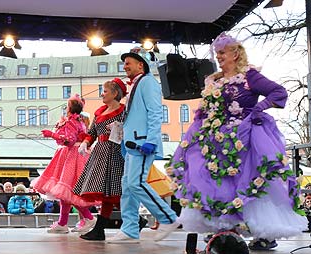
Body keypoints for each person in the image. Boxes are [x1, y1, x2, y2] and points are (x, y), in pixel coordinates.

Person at [167, 32, 307, 250]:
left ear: (235, 53)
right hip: (216, 140)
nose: (219, 56)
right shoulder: (214, 79)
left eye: (222, 52)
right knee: (221, 183)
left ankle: (264, 233)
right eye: (217, 53)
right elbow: (207, 107)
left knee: (250, 179)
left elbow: (278, 92)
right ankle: (226, 230)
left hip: (245, 137)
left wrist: (259, 107)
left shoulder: (249, 76)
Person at [107, 46, 179, 244]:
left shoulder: (147, 82)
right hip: (133, 142)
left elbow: (156, 112)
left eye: (128, 63)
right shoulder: (138, 84)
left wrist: (151, 140)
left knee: (135, 183)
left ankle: (168, 217)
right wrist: (122, 126)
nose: (125, 66)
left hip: (141, 142)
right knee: (128, 186)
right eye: (125, 63)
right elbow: (139, 114)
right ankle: (129, 228)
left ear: (141, 65)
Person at [72, 78, 127, 241]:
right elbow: (92, 132)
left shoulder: (124, 111)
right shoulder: (99, 112)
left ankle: (101, 229)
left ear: (115, 93)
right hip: (100, 153)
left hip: (116, 152)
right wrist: (86, 142)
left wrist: (119, 127)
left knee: (113, 191)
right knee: (107, 193)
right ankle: (103, 228)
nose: (102, 94)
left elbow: (129, 128)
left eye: (105, 91)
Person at [32, 94, 96, 234]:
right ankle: (63, 222)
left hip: (70, 156)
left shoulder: (72, 121)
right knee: (65, 192)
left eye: (67, 105)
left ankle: (88, 217)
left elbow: (70, 140)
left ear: (70, 108)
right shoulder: (80, 121)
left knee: (68, 192)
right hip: (74, 155)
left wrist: (52, 134)